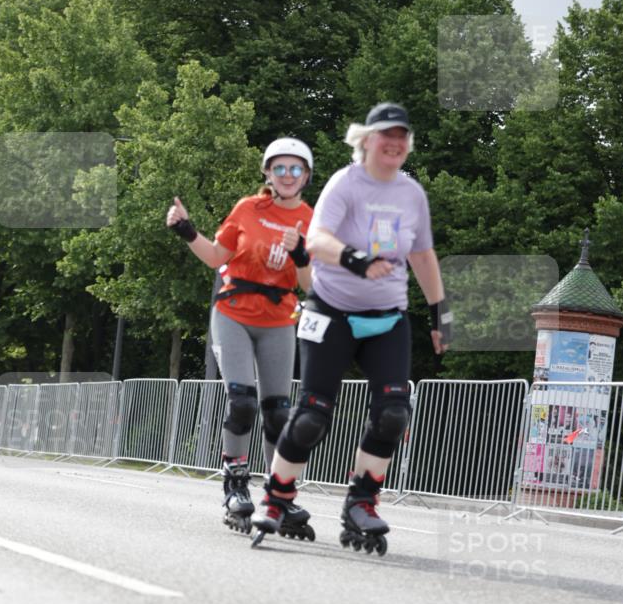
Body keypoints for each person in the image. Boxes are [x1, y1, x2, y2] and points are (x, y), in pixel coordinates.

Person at [251, 103, 452, 555]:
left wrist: (441, 313)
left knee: (394, 413)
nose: (395, 143)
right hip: (332, 311)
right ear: (366, 141)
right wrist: (356, 260)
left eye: (403, 136)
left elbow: (422, 255)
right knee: (311, 419)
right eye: (387, 136)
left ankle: (362, 501)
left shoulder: (411, 193)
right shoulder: (346, 183)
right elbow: (317, 240)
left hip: (387, 319)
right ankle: (278, 497)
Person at [166, 138, 314, 534]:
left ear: (306, 177)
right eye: (279, 168)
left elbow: (309, 283)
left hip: (279, 319)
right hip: (233, 313)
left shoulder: (309, 218)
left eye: (295, 169)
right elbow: (217, 256)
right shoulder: (248, 209)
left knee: (279, 411)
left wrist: (300, 254)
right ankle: (235, 484)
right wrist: (186, 229)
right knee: (243, 401)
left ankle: (279, 494)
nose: (286, 175)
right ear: (267, 173)